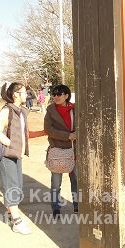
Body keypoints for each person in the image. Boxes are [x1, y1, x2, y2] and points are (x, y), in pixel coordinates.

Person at [0, 82, 32, 235]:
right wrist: (10, 144)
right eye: (23, 92)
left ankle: (11, 216)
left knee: (17, 186)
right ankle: (16, 222)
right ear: (16, 94)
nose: (26, 94)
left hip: (16, 154)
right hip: (7, 155)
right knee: (12, 187)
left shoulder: (20, 111)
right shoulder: (7, 110)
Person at [44, 84, 78, 219]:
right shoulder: (50, 111)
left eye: (59, 94)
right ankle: (56, 207)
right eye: (54, 94)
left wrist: (76, 134)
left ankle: (77, 204)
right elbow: (48, 129)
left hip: (74, 149)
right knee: (56, 182)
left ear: (66, 96)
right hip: (58, 149)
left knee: (76, 179)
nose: (56, 97)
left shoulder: (74, 109)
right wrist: (67, 135)